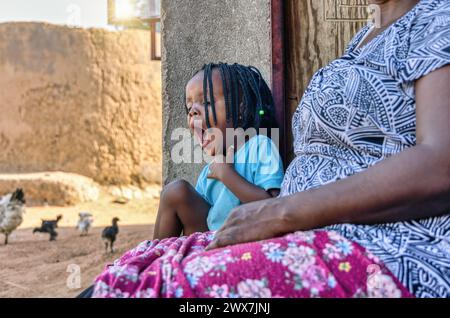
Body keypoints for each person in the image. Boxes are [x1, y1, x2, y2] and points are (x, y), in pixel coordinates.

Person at [84, 0, 449, 298]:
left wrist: (280, 214)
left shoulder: (437, 16)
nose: (195, 113)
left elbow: (440, 166)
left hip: (384, 247)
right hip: (306, 231)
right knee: (133, 272)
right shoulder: (366, 36)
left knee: (148, 291)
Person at [153, 63, 284, 240]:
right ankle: (156, 260)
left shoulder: (259, 146)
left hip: (247, 239)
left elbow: (274, 208)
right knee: (175, 192)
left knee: (178, 189)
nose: (192, 112)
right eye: (189, 107)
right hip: (211, 241)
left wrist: (226, 174)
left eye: (206, 102)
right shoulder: (211, 169)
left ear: (241, 109)